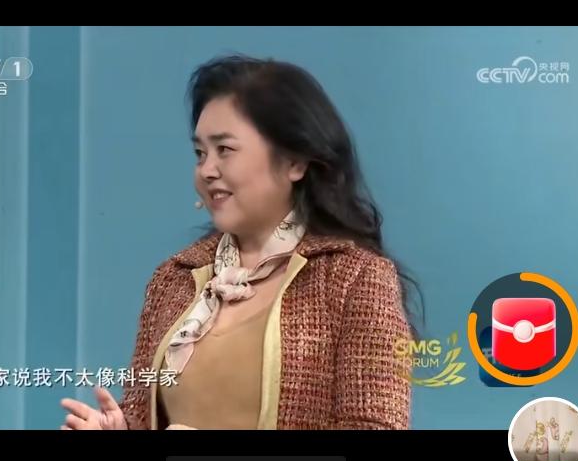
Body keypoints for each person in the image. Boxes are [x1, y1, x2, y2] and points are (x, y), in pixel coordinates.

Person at [60, 56, 417, 431]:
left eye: (225, 150)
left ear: (294, 162)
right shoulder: (173, 278)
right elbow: (142, 413)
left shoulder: (356, 279)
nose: (207, 170)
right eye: (200, 153)